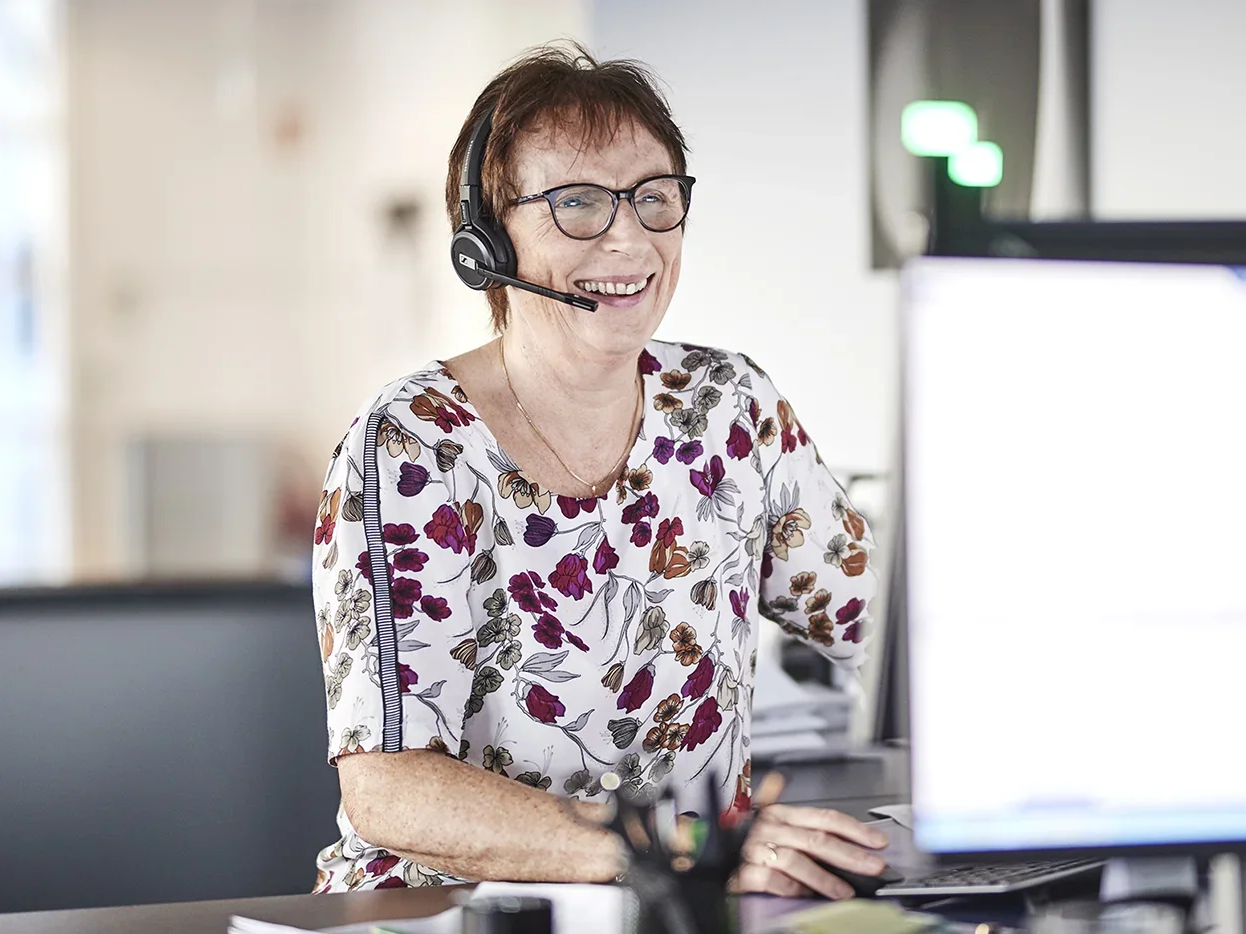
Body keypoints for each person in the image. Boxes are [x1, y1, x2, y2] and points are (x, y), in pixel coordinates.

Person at [311, 42, 883, 899]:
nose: (630, 237)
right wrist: (675, 851)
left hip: (684, 909)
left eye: (655, 198)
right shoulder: (415, 445)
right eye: (578, 203)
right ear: (486, 241)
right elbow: (390, 789)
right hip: (445, 912)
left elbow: (876, 618)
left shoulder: (727, 407)